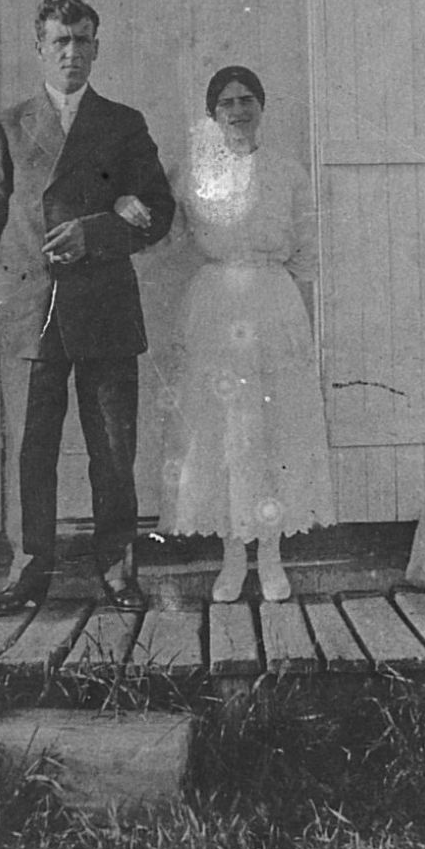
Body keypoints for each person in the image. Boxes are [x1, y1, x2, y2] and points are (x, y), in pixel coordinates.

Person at [0, 0, 175, 613]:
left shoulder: (123, 124)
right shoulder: (9, 125)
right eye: (60, 41)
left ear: (97, 47)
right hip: (30, 309)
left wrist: (96, 234)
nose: (71, 53)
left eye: (82, 40)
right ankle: (29, 569)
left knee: (112, 446)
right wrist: (37, 263)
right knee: (31, 447)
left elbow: (157, 211)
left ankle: (117, 568)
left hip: (105, 305)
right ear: (40, 48)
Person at [127, 65, 334, 602]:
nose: (238, 111)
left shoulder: (287, 172)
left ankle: (272, 555)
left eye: (247, 100)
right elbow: (164, 236)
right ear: (212, 114)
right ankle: (233, 556)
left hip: (273, 305)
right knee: (222, 429)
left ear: (261, 107)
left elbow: (307, 250)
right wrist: (132, 209)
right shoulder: (192, 174)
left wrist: (290, 315)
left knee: (272, 429)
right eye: (226, 103)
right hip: (215, 307)